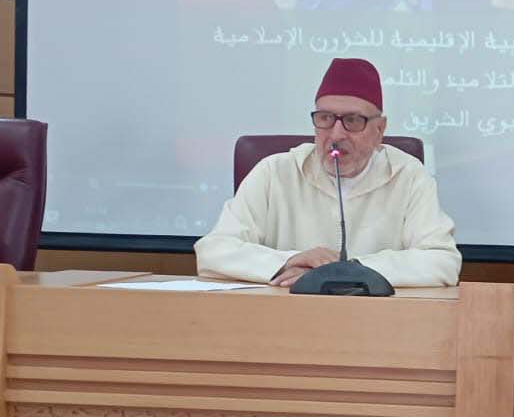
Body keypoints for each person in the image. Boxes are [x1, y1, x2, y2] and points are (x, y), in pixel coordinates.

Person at [195, 58, 461, 287]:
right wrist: (290, 260)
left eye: (352, 120)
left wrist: (348, 271)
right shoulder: (274, 172)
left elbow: (442, 261)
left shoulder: (408, 176)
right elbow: (213, 252)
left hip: (377, 320)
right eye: (325, 118)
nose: (336, 134)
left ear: (379, 130)